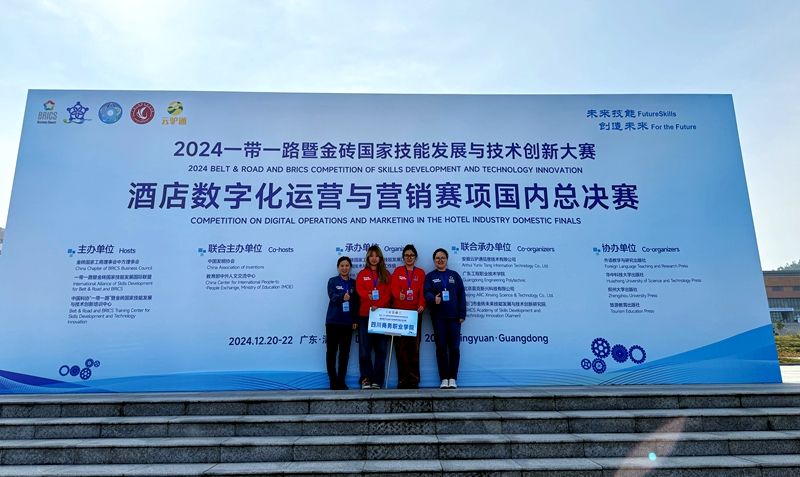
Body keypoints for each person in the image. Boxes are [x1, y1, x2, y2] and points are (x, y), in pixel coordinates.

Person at [424, 248, 467, 389]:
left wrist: (462, 314)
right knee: (441, 348)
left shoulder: (454, 276)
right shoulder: (430, 276)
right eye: (437, 258)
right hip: (438, 318)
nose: (440, 260)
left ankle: (453, 378)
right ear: (434, 260)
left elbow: (461, 295)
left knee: (454, 348)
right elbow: (426, 292)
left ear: (447, 259)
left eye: (443, 257)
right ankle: (443, 378)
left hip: (454, 318)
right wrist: (433, 298)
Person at [355, 245, 392, 389]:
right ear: (367, 258)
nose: (374, 258)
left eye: (377, 256)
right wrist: (370, 299)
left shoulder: (386, 274)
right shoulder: (362, 273)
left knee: (381, 350)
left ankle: (377, 380)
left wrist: (379, 305)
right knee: (364, 350)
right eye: (371, 255)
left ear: (380, 258)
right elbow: (360, 289)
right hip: (365, 315)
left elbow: (388, 293)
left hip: (381, 316)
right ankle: (366, 379)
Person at [390, 244, 426, 389]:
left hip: (415, 314)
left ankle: (414, 379)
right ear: (403, 257)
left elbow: (423, 291)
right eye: (406, 255)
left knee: (414, 347)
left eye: (411, 255)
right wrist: (398, 294)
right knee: (400, 348)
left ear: (415, 257)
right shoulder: (398, 271)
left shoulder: (421, 273)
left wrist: (422, 304)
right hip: (400, 313)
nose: (409, 258)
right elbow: (393, 287)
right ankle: (403, 380)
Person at [325, 256, 358, 390]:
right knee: (332, 352)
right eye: (342, 266)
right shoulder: (332, 281)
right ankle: (333, 381)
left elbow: (355, 303)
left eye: (347, 265)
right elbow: (332, 296)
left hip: (347, 323)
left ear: (350, 267)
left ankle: (341, 381)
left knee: (344, 353)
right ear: (338, 267)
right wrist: (341, 297)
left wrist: (355, 320)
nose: (344, 268)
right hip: (333, 322)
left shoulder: (354, 283)